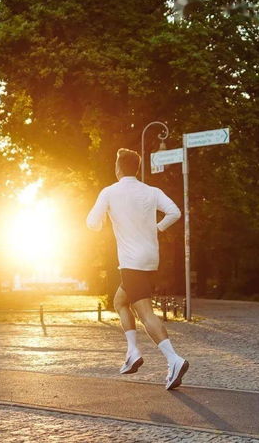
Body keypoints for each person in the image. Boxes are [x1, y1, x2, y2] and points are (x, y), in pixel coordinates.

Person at [86, 148, 189, 390]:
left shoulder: (110, 192)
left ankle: (174, 359)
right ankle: (132, 352)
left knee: (144, 312)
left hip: (131, 261)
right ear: (137, 169)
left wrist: (100, 223)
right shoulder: (152, 191)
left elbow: (92, 223)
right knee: (120, 302)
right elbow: (175, 212)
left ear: (118, 168)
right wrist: (158, 228)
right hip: (149, 260)